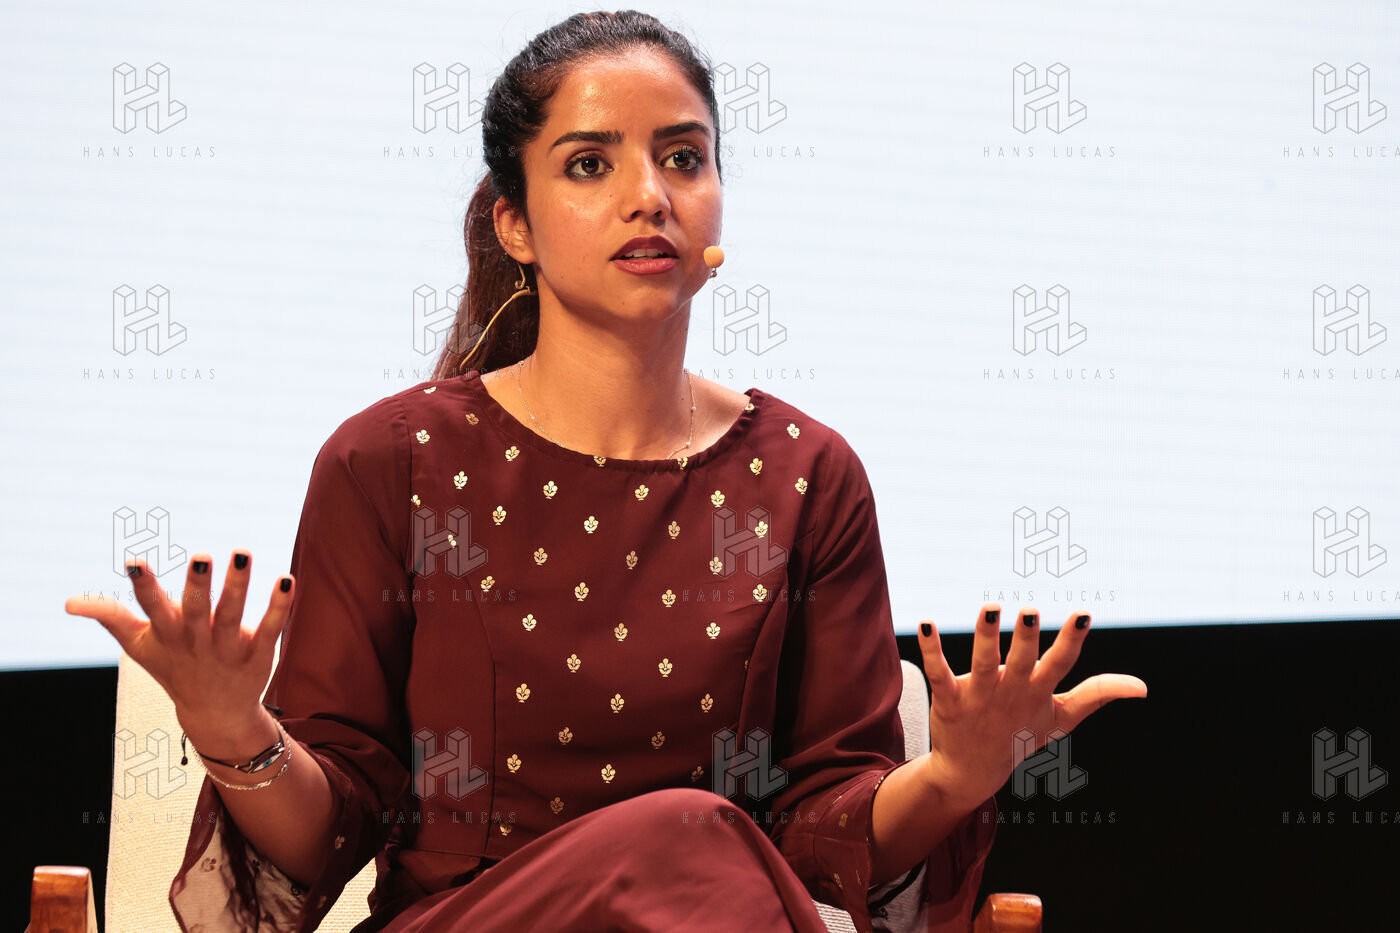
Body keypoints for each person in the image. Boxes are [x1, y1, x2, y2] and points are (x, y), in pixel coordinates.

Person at [66, 11, 1147, 933]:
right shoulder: (390, 462)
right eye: (591, 164)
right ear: (514, 223)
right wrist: (233, 729)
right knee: (692, 830)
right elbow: (328, 831)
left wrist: (953, 776)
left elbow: (827, 827)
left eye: (683, 158)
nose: (650, 196)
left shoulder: (807, 475)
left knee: (704, 843)